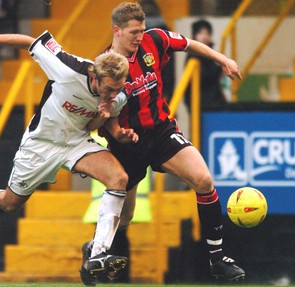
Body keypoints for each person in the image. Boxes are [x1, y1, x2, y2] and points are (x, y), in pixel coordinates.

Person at [0, 25, 139, 285]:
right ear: (94, 77)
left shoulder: (118, 96)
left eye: (117, 90)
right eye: (108, 89)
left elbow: (95, 126)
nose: (112, 94)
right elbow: (29, 41)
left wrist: (116, 130)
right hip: (41, 144)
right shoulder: (67, 68)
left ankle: (98, 253)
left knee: (119, 178)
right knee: (10, 203)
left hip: (75, 142)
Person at [83, 2, 245, 284]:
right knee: (125, 218)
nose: (138, 37)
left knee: (204, 180)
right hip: (126, 144)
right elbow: (103, 112)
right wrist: (118, 131)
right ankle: (94, 254)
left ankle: (217, 259)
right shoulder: (102, 65)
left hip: (160, 132)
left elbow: (190, 43)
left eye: (141, 30)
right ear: (117, 30)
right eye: (133, 32)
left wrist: (222, 59)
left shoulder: (154, 40)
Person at [184, 19, 226, 109]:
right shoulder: (193, 57)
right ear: (194, 35)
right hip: (200, 103)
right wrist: (219, 69)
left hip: (212, 101)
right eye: (201, 33)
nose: (204, 36)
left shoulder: (211, 54)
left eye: (207, 33)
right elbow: (204, 77)